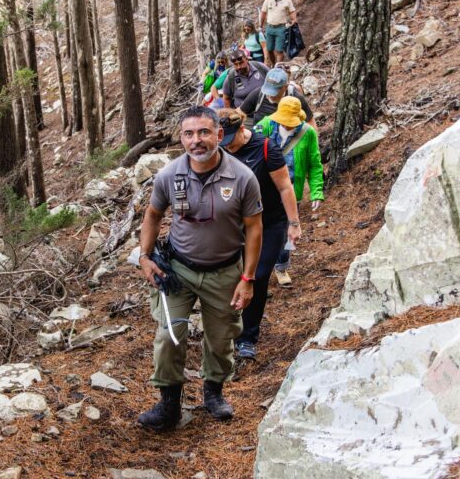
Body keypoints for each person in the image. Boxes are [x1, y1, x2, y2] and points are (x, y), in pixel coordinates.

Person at [136, 106, 263, 430]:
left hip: (224, 272)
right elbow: (152, 215)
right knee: (169, 335)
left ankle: (213, 391)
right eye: (189, 134)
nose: (197, 141)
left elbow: (254, 229)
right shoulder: (169, 175)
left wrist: (247, 278)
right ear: (181, 138)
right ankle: (169, 403)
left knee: (221, 339)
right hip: (178, 271)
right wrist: (145, 257)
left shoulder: (242, 178)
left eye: (205, 132)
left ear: (219, 135)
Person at [217, 108, 302, 360]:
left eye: (229, 140)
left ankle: (248, 337)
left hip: (269, 223)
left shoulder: (265, 148)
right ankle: (229, 328)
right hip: (235, 225)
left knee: (258, 275)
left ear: (241, 129)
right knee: (232, 275)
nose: (226, 146)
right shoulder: (220, 151)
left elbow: (285, 187)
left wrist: (294, 223)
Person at [254, 97, 325, 287]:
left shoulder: (307, 133)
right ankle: (257, 267)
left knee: (288, 233)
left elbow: (315, 164)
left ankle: (281, 266)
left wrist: (317, 191)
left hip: (291, 191)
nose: (286, 124)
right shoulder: (266, 125)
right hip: (264, 190)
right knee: (259, 229)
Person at [239, 66, 316, 129]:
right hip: (261, 139)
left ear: (285, 87)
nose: (270, 95)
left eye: (274, 91)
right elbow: (239, 112)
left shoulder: (295, 97)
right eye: (268, 89)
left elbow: (311, 123)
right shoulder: (258, 94)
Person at [259, 0, 298, 66]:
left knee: (279, 50)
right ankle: (273, 65)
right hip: (269, 27)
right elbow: (263, 13)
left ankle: (278, 67)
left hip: (281, 28)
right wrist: (260, 26)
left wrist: (294, 19)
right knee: (269, 49)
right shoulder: (268, 0)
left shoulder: (287, 0)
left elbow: (292, 11)